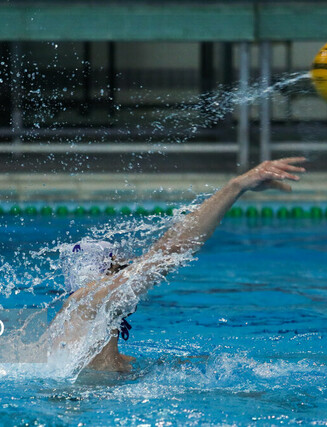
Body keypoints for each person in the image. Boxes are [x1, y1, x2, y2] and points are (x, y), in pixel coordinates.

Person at [39, 157, 307, 373]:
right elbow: (169, 253)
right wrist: (236, 186)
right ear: (105, 272)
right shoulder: (89, 299)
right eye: (121, 267)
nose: (130, 269)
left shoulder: (97, 345)